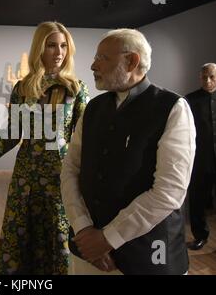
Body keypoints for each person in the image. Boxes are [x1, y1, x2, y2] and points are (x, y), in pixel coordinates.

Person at [0, 21, 89, 274]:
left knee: (58, 241)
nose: (59, 52)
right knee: (22, 240)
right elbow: (11, 136)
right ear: (40, 48)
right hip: (26, 178)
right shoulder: (23, 88)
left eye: (63, 46)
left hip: (61, 178)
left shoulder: (77, 89)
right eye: (51, 45)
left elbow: (84, 140)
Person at [61, 28, 196, 275]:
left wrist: (107, 239)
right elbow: (70, 168)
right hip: (87, 255)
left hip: (149, 259)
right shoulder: (93, 108)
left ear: (131, 61)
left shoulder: (172, 108)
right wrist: (82, 229)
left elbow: (170, 190)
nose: (93, 65)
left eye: (102, 58)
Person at [186, 63, 216, 251]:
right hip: (200, 160)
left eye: (211, 77)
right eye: (204, 76)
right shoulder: (189, 100)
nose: (207, 80)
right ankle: (200, 236)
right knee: (197, 201)